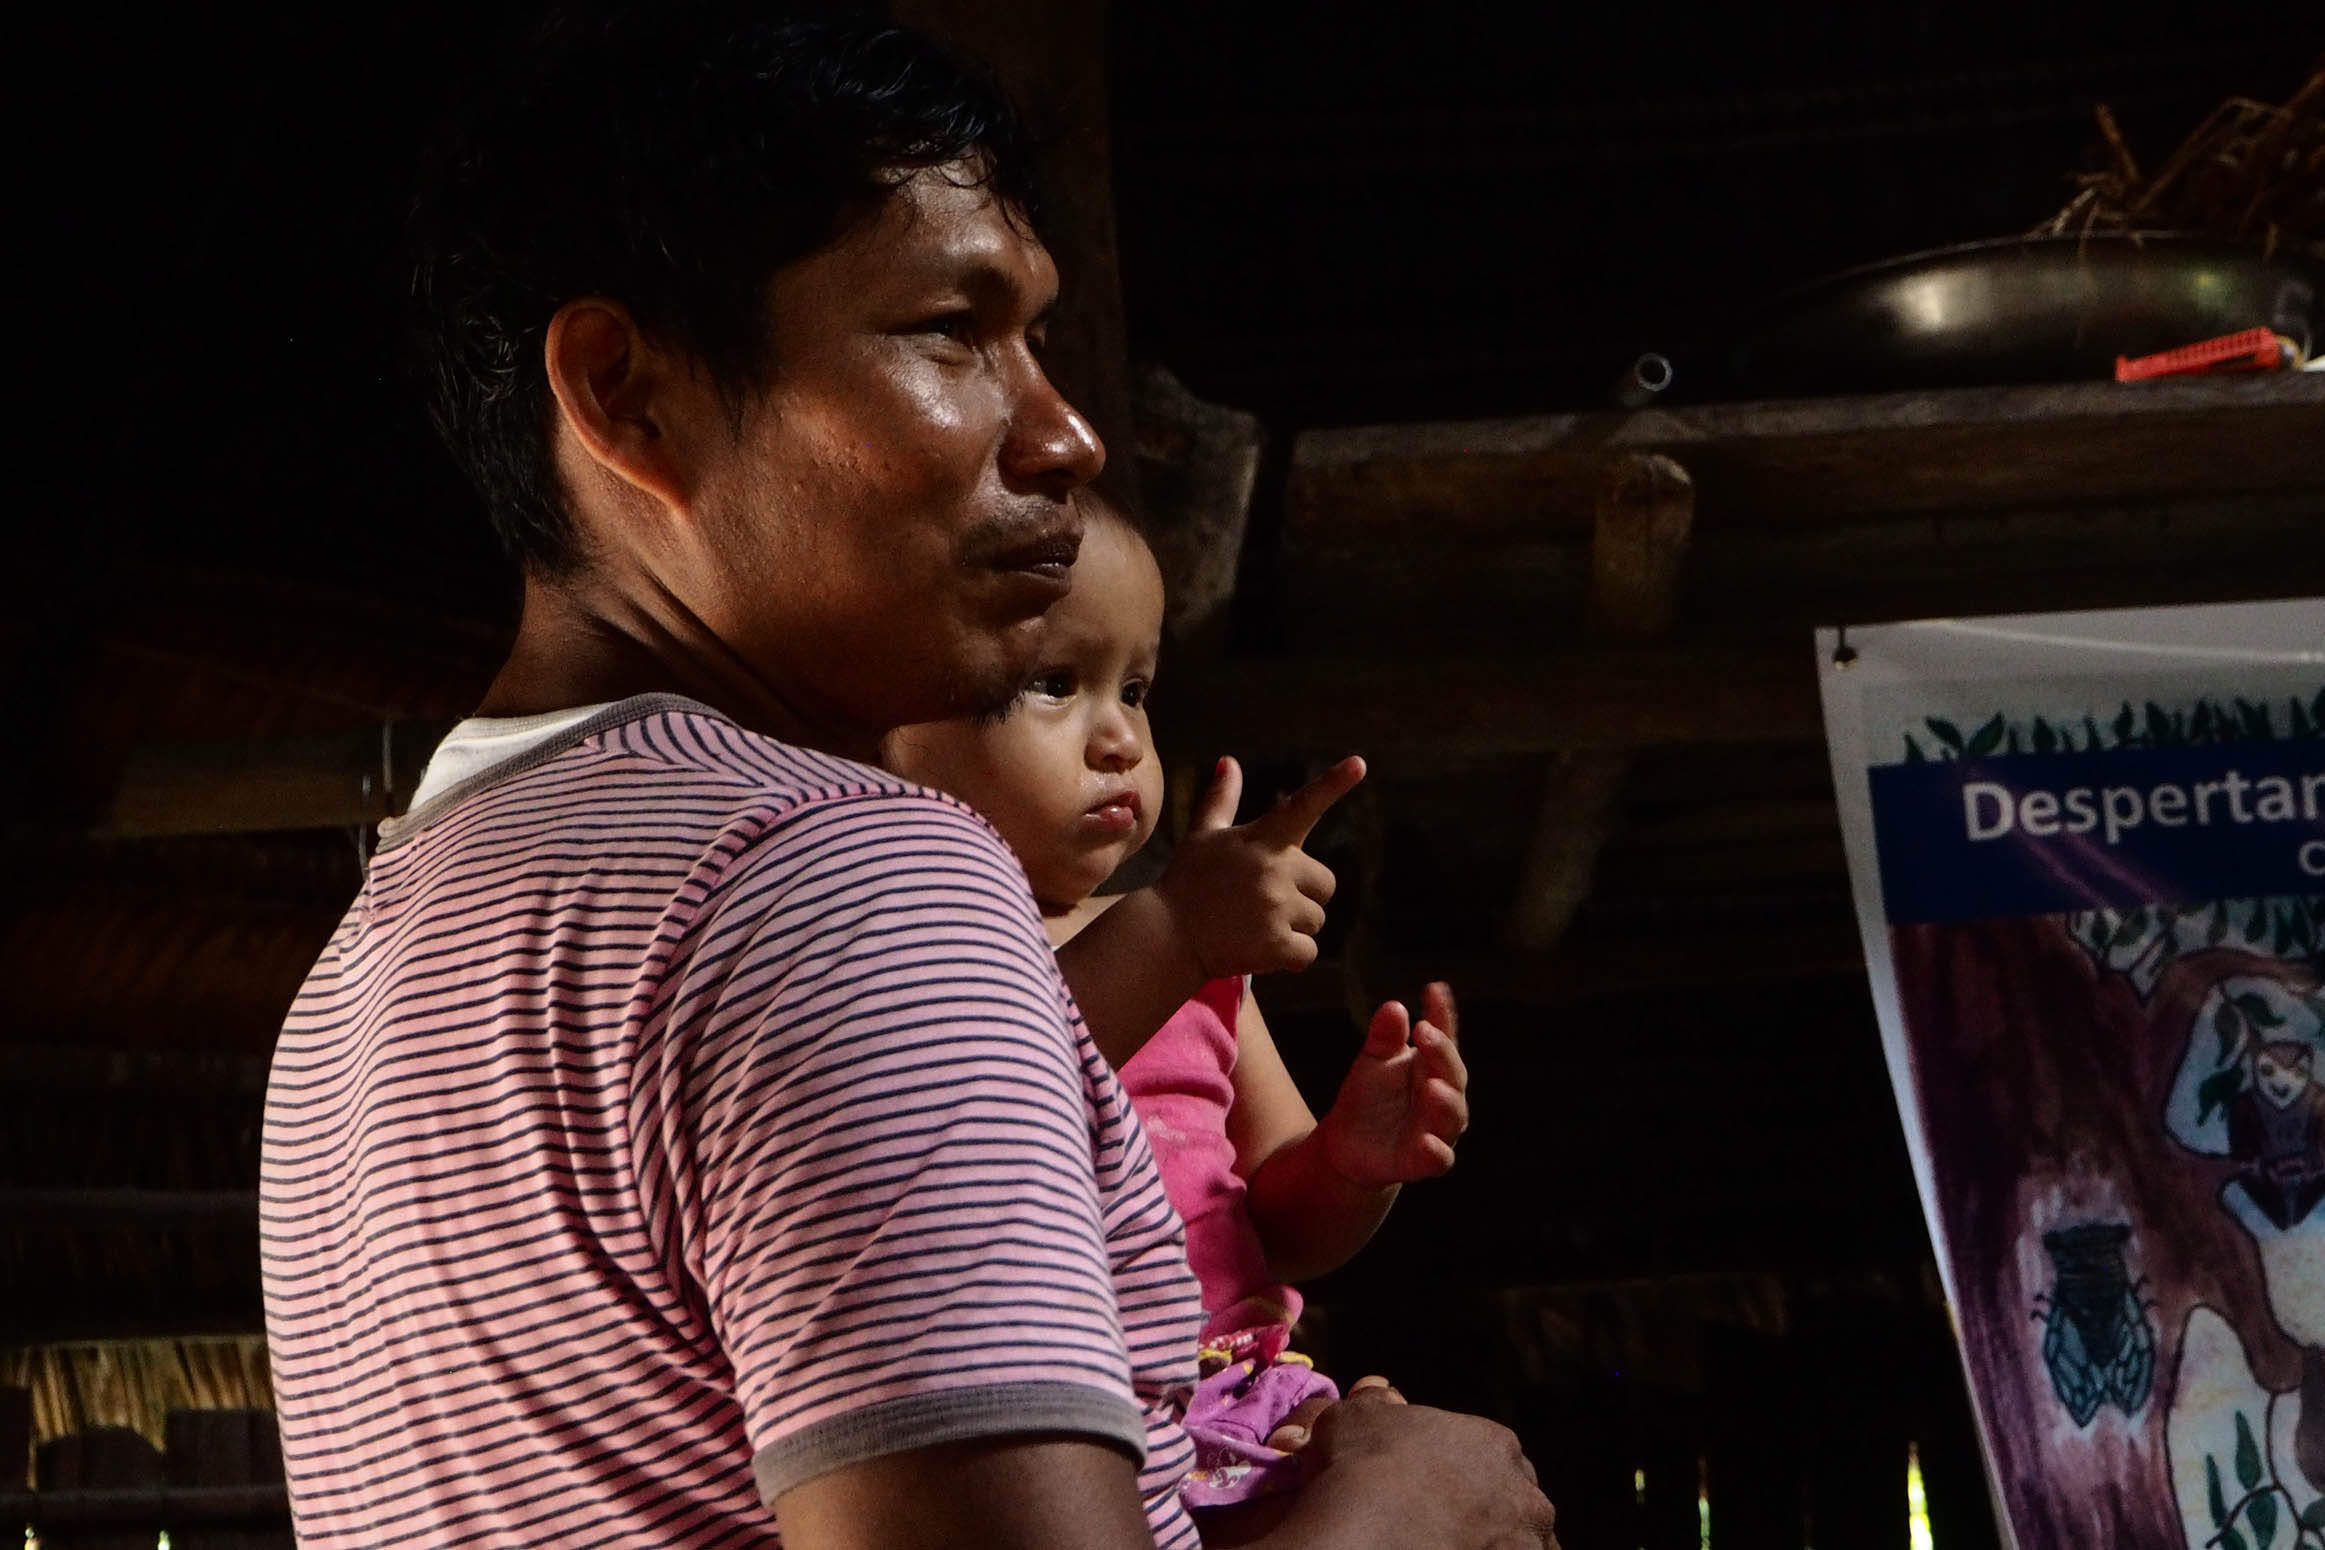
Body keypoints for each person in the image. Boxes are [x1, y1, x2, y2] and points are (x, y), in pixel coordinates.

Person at [259, 7, 1557, 1548]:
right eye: (951, 329)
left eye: (1038, 342)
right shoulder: (833, 876)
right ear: (627, 392)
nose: (1065, 434)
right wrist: (1413, 1511)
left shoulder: (361, 982)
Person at [884, 498, 1470, 1513]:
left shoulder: (1206, 971)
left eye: (1136, 688)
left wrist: (1350, 1163)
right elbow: (999, 1092)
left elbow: (1280, 1229)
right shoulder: (919, 949)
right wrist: (1174, 930)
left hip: (1244, 1398)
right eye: (1054, 683)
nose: (1119, 736)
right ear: (888, 728)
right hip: (1070, 1439)